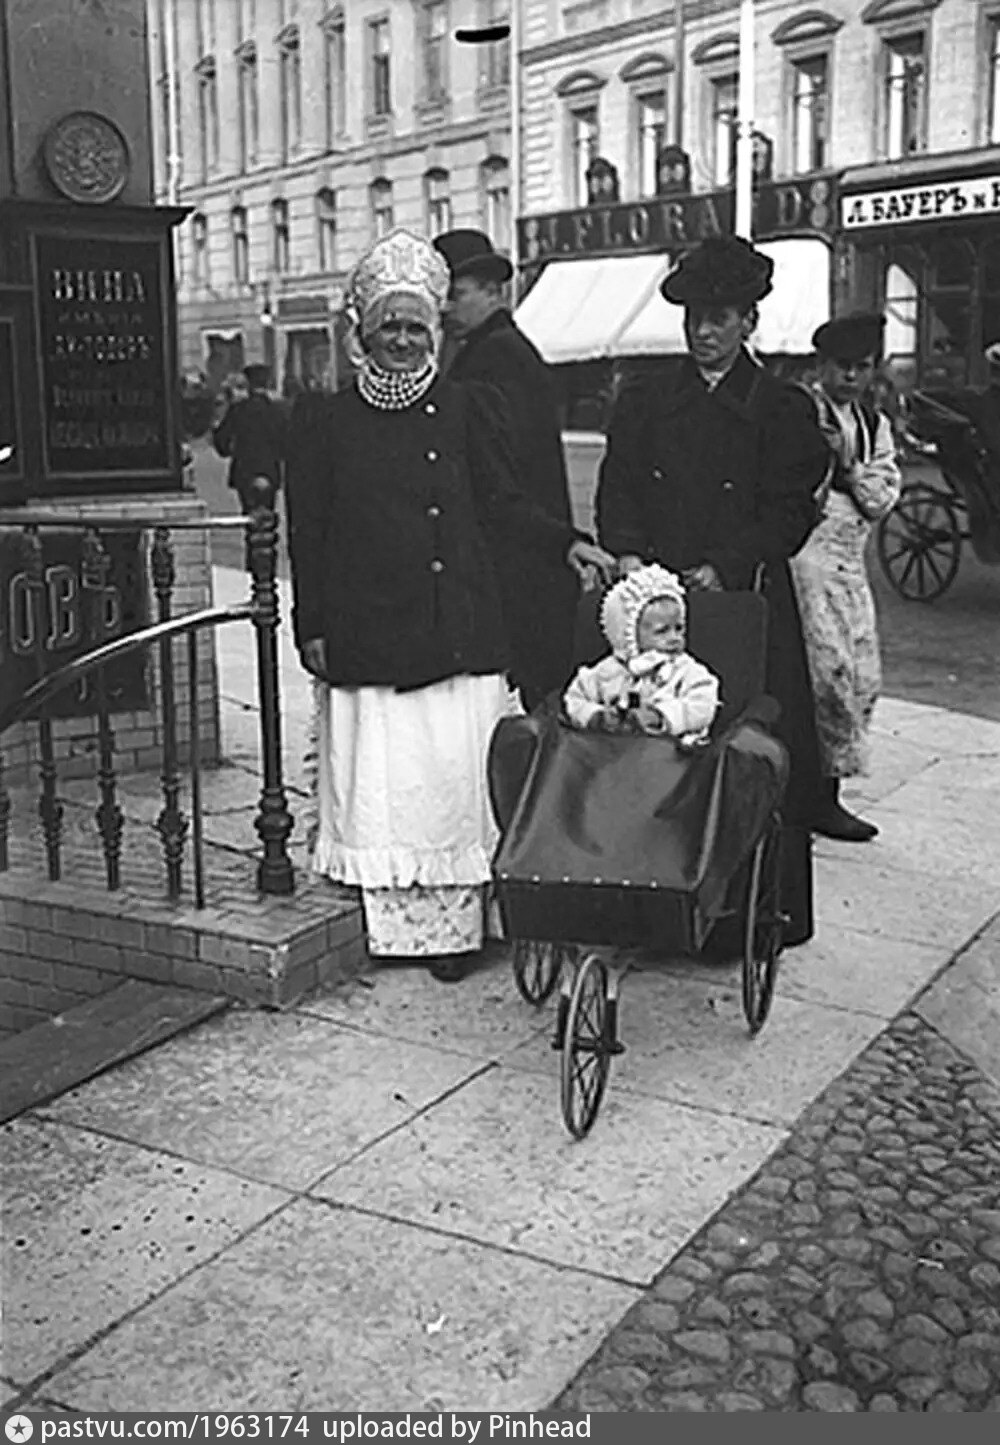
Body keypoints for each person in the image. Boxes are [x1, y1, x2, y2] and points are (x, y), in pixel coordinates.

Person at [284, 229, 615, 984]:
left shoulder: (469, 407)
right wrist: (315, 628)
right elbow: (311, 532)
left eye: (415, 326)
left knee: (452, 783)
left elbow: (504, 503)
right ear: (364, 335)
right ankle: (391, 926)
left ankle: (458, 928)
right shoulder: (324, 422)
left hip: (457, 623)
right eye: (389, 327)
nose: (402, 340)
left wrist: (563, 540)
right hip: (370, 630)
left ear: (434, 330)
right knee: (391, 784)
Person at [595, 234, 830, 946]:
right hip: (657, 601)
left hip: (744, 597)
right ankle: (653, 896)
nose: (704, 330)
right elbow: (619, 486)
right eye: (694, 315)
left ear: (749, 322)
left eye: (720, 316)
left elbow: (791, 508)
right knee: (654, 737)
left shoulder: (782, 408)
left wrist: (727, 564)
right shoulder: (644, 402)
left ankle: (753, 913)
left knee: (751, 741)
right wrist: (631, 555)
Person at [432, 228, 579, 710]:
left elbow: (498, 479)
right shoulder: (497, 351)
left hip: (513, 564)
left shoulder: (492, 360)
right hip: (527, 558)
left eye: (455, 295)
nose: (446, 310)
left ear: (495, 292)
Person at [791, 314, 902, 843]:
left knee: (860, 675)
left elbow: (882, 497)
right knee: (823, 672)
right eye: (842, 367)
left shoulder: (873, 424)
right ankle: (811, 797)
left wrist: (849, 469)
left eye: (862, 367)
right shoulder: (800, 412)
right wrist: (822, 460)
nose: (851, 378)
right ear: (822, 366)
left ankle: (829, 792)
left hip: (850, 564)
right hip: (806, 560)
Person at [563, 563, 720, 744]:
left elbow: (703, 704)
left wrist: (661, 717)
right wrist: (596, 716)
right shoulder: (608, 670)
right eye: (662, 631)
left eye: (679, 629)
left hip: (667, 754)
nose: (674, 638)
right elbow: (574, 699)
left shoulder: (684, 669)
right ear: (628, 634)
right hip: (612, 752)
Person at [211, 364, 286, 512]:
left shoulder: (238, 409)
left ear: (248, 383)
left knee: (248, 514)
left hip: (245, 470)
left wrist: (226, 449)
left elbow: (222, 440)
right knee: (267, 514)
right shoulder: (278, 411)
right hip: (269, 469)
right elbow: (286, 441)